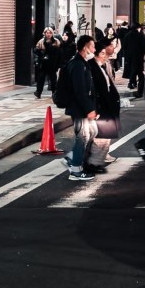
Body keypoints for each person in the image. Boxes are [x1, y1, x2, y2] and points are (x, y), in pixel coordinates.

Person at [64, 35, 99, 181]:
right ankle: (76, 170)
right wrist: (89, 109)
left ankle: (72, 157)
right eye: (92, 46)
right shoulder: (77, 64)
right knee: (82, 136)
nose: (94, 49)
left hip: (83, 107)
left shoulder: (83, 63)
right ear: (85, 48)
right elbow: (80, 90)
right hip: (79, 108)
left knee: (92, 132)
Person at [86, 33, 122, 173]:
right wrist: (95, 109)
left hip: (106, 107)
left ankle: (96, 162)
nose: (104, 54)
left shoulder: (101, 66)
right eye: (101, 52)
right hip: (101, 108)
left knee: (103, 137)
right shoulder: (92, 67)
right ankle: (93, 163)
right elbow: (93, 90)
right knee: (100, 137)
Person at [121, 21, 145, 97]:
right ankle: (137, 85)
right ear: (138, 28)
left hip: (129, 56)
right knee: (139, 71)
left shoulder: (127, 35)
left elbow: (124, 45)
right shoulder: (140, 35)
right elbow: (144, 45)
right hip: (138, 56)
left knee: (132, 69)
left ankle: (132, 83)